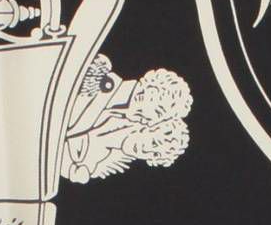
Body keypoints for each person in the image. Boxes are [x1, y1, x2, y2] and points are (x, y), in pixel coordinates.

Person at [61, 56, 193, 183]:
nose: (148, 121)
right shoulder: (99, 70)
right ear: (152, 91)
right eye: (158, 112)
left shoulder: (112, 134)